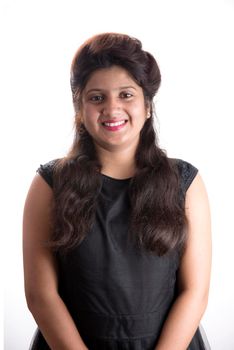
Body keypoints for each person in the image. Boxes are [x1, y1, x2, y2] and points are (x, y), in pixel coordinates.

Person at [23, 33, 212, 350]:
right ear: (80, 109)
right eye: (97, 97)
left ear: (147, 106)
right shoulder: (49, 183)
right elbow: (41, 296)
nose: (112, 108)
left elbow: (195, 292)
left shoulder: (185, 182)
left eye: (126, 95)